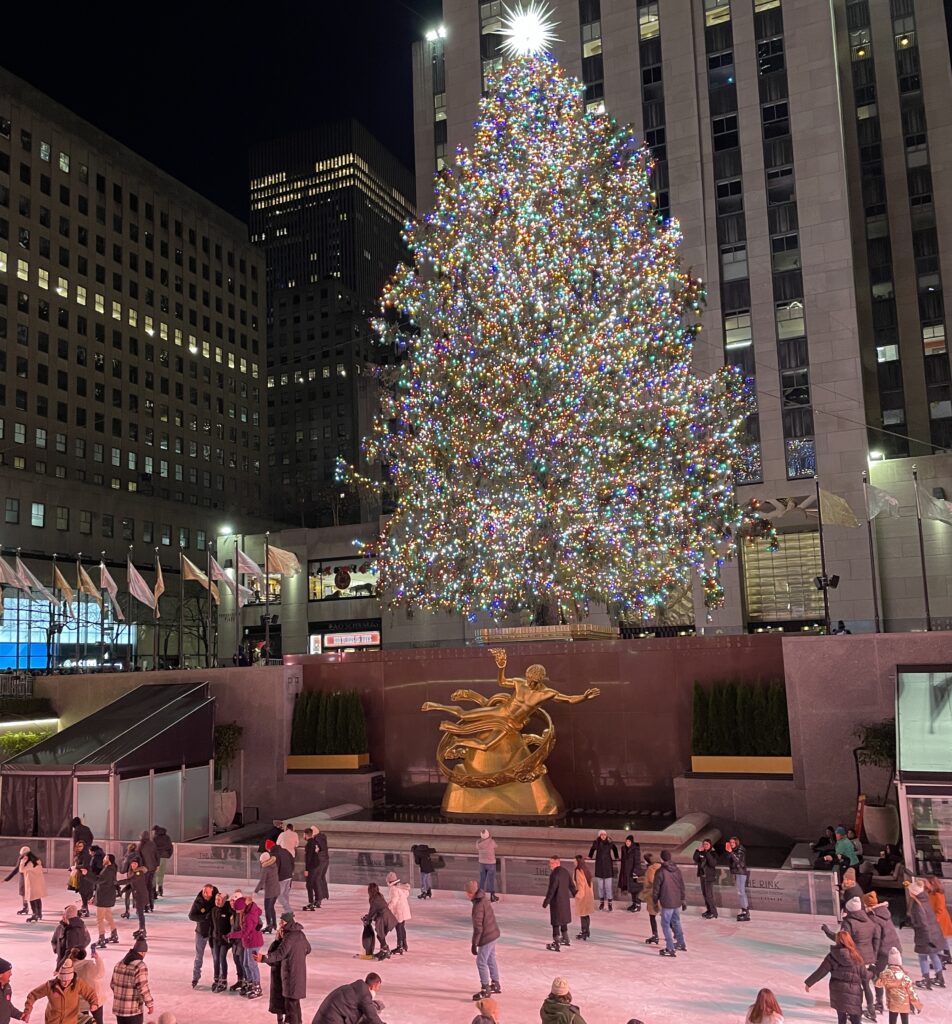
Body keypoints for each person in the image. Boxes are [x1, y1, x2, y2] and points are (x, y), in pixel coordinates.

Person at [822, 896, 880, 1019]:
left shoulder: (848, 923)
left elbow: (842, 940)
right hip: (868, 958)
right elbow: (876, 939)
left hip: (854, 958)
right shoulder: (870, 921)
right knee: (865, 984)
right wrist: (873, 956)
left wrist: (827, 932)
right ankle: (871, 1009)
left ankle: (852, 1010)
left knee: (852, 985)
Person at [256, 913, 311, 1024]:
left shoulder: (289, 937)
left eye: (282, 922)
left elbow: (279, 954)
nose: (280, 924)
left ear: (289, 922)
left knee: (291, 1006)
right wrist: (297, 957)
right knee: (295, 1005)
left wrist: (263, 958)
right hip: (298, 973)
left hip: (290, 975)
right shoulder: (300, 934)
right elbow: (308, 949)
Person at [804, 930, 867, 1024]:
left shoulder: (833, 955)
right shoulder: (856, 955)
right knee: (855, 1019)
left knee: (841, 1019)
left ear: (838, 941)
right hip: (854, 991)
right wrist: (875, 975)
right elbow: (864, 974)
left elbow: (821, 971)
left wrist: (809, 983)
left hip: (838, 991)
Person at [21, 958, 99, 1024]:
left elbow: (90, 993)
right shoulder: (50, 986)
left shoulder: (78, 984)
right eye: (62, 980)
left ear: (71, 978)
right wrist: (27, 1011)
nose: (64, 982)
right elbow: (33, 995)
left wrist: (94, 1003)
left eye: (67, 980)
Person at [863, 892, 903, 1015]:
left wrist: (873, 958)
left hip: (884, 951)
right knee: (895, 976)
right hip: (895, 949)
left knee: (877, 977)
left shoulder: (874, 918)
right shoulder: (884, 912)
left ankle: (879, 1003)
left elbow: (877, 939)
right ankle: (905, 1001)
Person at [904, 877, 946, 989]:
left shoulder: (917, 906)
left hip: (925, 936)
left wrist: (927, 939)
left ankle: (925, 979)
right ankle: (939, 977)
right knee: (934, 955)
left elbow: (923, 924)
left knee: (922, 956)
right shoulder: (925, 899)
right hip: (934, 933)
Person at [465, 879, 501, 1002]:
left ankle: (486, 988)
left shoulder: (478, 906)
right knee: (490, 958)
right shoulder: (482, 898)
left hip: (487, 936)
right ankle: (495, 983)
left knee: (481, 961)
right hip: (493, 933)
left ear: (470, 893)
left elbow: (478, 928)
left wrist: (474, 943)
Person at [227, 894, 264, 999]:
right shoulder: (247, 912)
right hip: (248, 942)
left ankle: (257, 987)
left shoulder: (249, 916)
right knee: (245, 963)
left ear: (242, 908)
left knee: (252, 964)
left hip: (254, 942)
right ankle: (250, 983)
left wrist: (231, 935)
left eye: (238, 911)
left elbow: (245, 933)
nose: (237, 913)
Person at [110, 938, 154, 1024]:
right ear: (142, 952)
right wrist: (150, 1004)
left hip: (119, 1011)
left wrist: (122, 997)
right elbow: (143, 988)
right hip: (133, 1011)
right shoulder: (139, 965)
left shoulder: (119, 964)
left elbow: (112, 985)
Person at [652, 850, 687, 958]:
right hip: (676, 901)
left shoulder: (660, 871)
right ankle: (681, 943)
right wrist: (683, 899)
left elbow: (656, 888)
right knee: (676, 921)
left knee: (665, 924)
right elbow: (682, 886)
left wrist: (654, 901)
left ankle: (670, 948)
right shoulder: (677, 870)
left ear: (662, 859)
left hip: (667, 902)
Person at [311, 973, 384, 1024]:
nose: (377, 990)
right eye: (378, 987)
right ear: (373, 986)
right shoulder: (364, 994)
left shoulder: (355, 988)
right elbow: (372, 1016)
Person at [875, 948, 922, 1024]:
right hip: (904, 1005)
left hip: (893, 1004)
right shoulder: (905, 977)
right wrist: (918, 1006)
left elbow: (878, 984)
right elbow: (912, 993)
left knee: (892, 1021)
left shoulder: (887, 975)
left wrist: (881, 975)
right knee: (905, 1021)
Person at [542, 855, 576, 952]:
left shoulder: (554, 874)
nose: (550, 865)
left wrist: (546, 901)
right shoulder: (565, 871)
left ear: (557, 863)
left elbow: (552, 889)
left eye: (551, 863)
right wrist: (576, 894)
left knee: (556, 922)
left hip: (556, 902)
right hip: (565, 901)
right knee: (563, 919)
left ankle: (556, 943)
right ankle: (565, 938)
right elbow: (571, 885)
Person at [188, 882, 218, 988]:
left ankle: (217, 978)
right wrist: (204, 917)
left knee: (216, 957)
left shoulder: (216, 900)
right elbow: (191, 916)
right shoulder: (199, 900)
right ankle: (195, 977)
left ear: (212, 892)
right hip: (200, 932)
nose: (204, 893)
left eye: (207, 892)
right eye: (204, 891)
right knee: (198, 957)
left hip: (213, 933)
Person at [360, 883, 396, 961]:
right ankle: (384, 950)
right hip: (385, 916)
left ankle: (385, 951)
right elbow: (374, 910)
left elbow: (372, 911)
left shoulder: (375, 899)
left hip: (384, 917)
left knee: (380, 935)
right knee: (380, 936)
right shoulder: (379, 896)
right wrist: (368, 917)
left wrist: (368, 918)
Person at [119, 860, 151, 940]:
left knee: (140, 913)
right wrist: (122, 891)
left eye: (135, 864)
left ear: (138, 865)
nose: (133, 865)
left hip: (141, 895)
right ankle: (142, 929)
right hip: (137, 895)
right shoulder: (131, 872)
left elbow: (130, 880)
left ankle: (142, 929)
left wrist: (117, 882)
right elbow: (130, 884)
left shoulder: (139, 873)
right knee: (139, 913)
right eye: (132, 863)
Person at [587, 830, 618, 911]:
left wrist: (616, 857)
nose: (603, 836)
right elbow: (592, 849)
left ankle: (610, 903)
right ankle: (601, 903)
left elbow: (614, 848)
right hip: (599, 867)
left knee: (608, 887)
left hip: (608, 867)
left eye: (605, 834)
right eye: (602, 835)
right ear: (599, 835)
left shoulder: (609, 842)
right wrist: (590, 856)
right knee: (600, 887)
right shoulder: (596, 842)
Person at [93, 853, 119, 948]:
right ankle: (114, 934)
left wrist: (86, 874)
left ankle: (101, 938)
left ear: (109, 860)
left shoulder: (107, 870)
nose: (103, 859)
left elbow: (98, 881)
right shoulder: (111, 869)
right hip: (108, 897)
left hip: (103, 898)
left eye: (105, 858)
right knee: (108, 916)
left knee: (99, 919)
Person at [72, 947, 104, 1024]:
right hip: (95, 998)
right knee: (99, 1021)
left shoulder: (71, 968)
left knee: (83, 1022)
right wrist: (97, 959)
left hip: (80, 1001)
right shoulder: (89, 964)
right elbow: (100, 974)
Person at [924, 875, 952, 962]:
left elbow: (940, 909)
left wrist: (934, 920)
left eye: (926, 882)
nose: (924, 884)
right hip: (937, 919)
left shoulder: (938, 894)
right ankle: (947, 956)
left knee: (938, 939)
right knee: (942, 938)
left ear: (931, 883)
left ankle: (941, 959)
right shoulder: (930, 893)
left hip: (940, 920)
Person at [210, 890, 233, 994]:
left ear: (224, 900)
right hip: (215, 939)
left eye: (219, 900)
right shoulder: (214, 910)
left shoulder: (228, 911)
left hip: (224, 940)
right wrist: (211, 937)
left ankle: (223, 980)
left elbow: (231, 926)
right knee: (215, 959)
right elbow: (212, 925)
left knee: (221, 958)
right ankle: (216, 979)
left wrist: (229, 938)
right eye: (216, 899)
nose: (217, 901)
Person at [226, 890, 248, 994]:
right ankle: (240, 981)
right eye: (230, 902)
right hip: (235, 943)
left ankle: (247, 982)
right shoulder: (233, 913)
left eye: (233, 901)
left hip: (242, 943)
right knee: (237, 962)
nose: (231, 903)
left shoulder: (243, 913)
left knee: (244, 963)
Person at [725, 836, 750, 922]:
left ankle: (746, 912)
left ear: (736, 843)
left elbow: (738, 861)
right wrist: (729, 852)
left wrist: (731, 852)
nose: (731, 844)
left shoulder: (740, 850)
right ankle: (744, 910)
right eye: (730, 842)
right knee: (740, 892)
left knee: (741, 892)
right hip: (737, 873)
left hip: (741, 872)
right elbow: (729, 860)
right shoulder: (734, 850)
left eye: (733, 843)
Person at [385, 872, 411, 955]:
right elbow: (406, 894)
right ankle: (404, 944)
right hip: (404, 909)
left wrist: (388, 908)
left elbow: (394, 900)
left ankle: (399, 946)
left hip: (399, 910)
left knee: (398, 928)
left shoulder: (393, 888)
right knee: (402, 927)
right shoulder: (400, 887)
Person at [303, 827, 329, 911]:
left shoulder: (313, 842)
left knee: (311, 883)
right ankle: (319, 899)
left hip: (316, 864)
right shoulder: (318, 839)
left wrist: (307, 869)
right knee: (317, 880)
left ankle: (314, 901)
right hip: (320, 862)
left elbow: (308, 857)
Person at [693, 839, 718, 919]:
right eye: (704, 844)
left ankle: (714, 912)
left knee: (709, 895)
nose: (705, 846)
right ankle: (709, 910)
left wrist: (707, 852)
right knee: (705, 895)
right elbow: (695, 859)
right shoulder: (701, 853)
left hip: (709, 877)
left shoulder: (713, 853)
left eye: (707, 844)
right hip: (702, 876)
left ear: (710, 845)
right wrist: (697, 851)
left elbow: (712, 863)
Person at [19, 848, 46, 923]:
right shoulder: (37, 861)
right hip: (38, 882)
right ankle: (39, 913)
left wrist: (22, 861)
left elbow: (21, 870)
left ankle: (35, 914)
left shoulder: (30, 863)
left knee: (32, 898)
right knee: (37, 898)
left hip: (31, 883)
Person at [255, 852, 280, 933]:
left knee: (267, 909)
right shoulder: (274, 865)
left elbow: (262, 881)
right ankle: (275, 924)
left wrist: (256, 891)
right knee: (271, 907)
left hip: (270, 892)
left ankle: (269, 925)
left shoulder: (265, 868)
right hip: (276, 889)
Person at [618, 835, 642, 912]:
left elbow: (637, 861)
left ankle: (638, 905)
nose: (627, 843)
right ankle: (634, 903)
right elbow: (623, 862)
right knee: (631, 889)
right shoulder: (624, 849)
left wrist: (635, 871)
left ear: (631, 842)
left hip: (633, 873)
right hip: (626, 873)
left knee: (636, 889)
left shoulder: (636, 850)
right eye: (626, 841)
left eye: (629, 841)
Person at [572, 855, 594, 942]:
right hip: (588, 895)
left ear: (578, 861)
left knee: (583, 914)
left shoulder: (578, 871)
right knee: (586, 915)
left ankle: (584, 931)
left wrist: (578, 895)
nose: (573, 862)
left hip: (583, 895)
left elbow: (581, 884)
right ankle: (586, 931)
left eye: (574, 861)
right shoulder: (585, 869)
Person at [6, 846, 31, 916]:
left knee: (33, 894)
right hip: (23, 877)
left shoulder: (32, 859)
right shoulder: (21, 858)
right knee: (23, 892)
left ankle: (36, 910)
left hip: (30, 877)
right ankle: (25, 907)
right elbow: (17, 869)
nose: (23, 855)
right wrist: (7, 878)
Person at [642, 853, 661, 945]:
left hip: (653, 895)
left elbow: (651, 881)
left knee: (652, 916)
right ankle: (675, 934)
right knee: (666, 916)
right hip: (662, 895)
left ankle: (655, 935)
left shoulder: (650, 869)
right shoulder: (660, 867)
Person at [137, 831, 159, 912]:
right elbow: (157, 855)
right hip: (152, 868)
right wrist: (157, 865)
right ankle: (151, 905)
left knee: (144, 888)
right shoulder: (152, 844)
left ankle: (145, 905)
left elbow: (138, 857)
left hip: (145, 869)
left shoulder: (141, 845)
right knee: (149, 887)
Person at [70, 841, 93, 919]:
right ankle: (85, 908)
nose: (79, 848)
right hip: (80, 875)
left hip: (86, 876)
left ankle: (85, 908)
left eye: (81, 846)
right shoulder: (78, 854)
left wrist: (75, 867)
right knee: (82, 892)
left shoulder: (86, 855)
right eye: (78, 846)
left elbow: (85, 865)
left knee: (84, 892)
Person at [273, 841, 295, 918]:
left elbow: (276, 866)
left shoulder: (275, 854)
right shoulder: (286, 851)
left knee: (279, 895)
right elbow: (292, 861)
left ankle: (289, 910)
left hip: (282, 877)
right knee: (285, 894)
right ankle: (287, 912)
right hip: (289, 876)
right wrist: (292, 871)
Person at [151, 827, 173, 900]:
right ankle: (160, 888)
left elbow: (152, 848)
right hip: (164, 857)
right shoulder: (167, 837)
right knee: (161, 873)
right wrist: (168, 855)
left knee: (155, 873)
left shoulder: (155, 838)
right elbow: (170, 846)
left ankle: (154, 889)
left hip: (156, 857)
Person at [477, 830, 498, 903]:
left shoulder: (478, 842)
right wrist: (490, 838)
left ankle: (480, 896)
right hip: (491, 863)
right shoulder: (491, 841)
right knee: (491, 880)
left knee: (482, 879)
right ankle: (492, 896)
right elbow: (496, 846)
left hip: (482, 863)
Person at [0, 957, 22, 1024]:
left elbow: (6, 1006)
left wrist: (20, 1015)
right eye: (8, 972)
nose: (11, 974)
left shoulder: (7, 987)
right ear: (0, 975)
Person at [119, 844, 138, 920]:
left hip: (130, 877)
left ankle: (127, 911)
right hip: (138, 877)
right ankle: (137, 908)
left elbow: (123, 870)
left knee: (127, 894)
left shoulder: (128, 856)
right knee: (135, 893)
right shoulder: (139, 855)